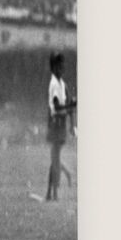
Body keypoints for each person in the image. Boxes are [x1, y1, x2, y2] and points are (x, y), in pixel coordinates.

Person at [45, 50, 73, 200]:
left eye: (62, 66)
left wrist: (72, 124)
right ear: (54, 67)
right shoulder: (56, 84)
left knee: (54, 159)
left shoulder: (60, 84)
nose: (61, 69)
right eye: (58, 66)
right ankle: (51, 193)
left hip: (58, 126)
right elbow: (58, 106)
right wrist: (71, 107)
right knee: (54, 159)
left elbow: (63, 107)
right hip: (56, 125)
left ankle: (53, 193)